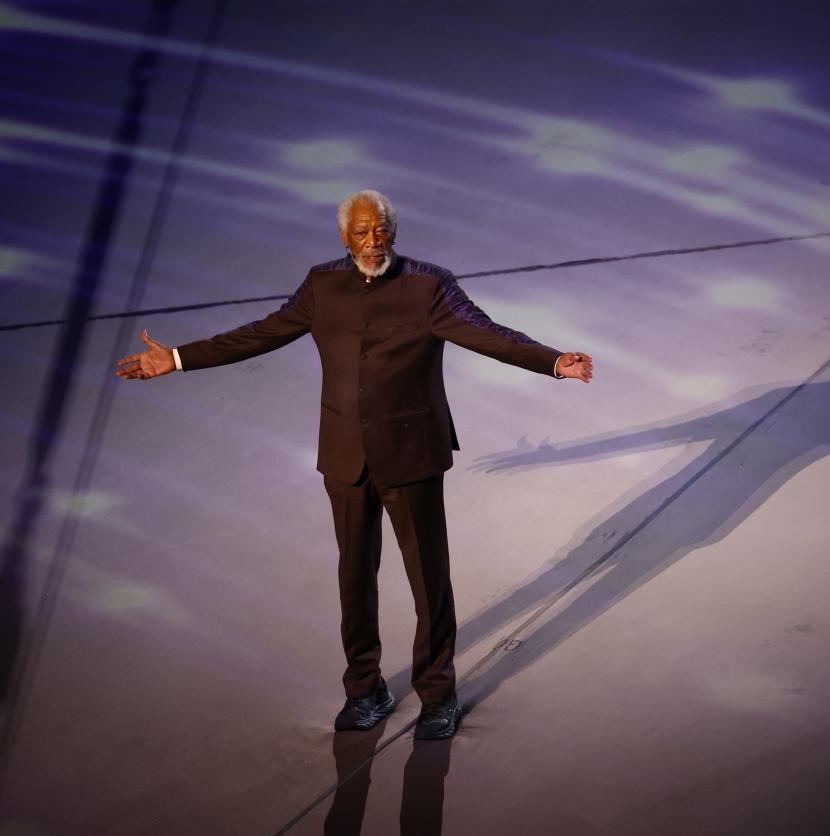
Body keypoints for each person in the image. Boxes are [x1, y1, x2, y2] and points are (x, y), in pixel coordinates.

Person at [115, 189, 593, 739]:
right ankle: (365, 690)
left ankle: (439, 694)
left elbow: (486, 333)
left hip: (411, 454)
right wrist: (177, 358)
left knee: (427, 581)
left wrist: (552, 360)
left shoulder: (428, 285)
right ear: (344, 239)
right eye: (362, 234)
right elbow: (260, 333)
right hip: (344, 456)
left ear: (394, 231)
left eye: (381, 231)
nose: (373, 242)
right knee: (354, 579)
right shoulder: (321, 285)